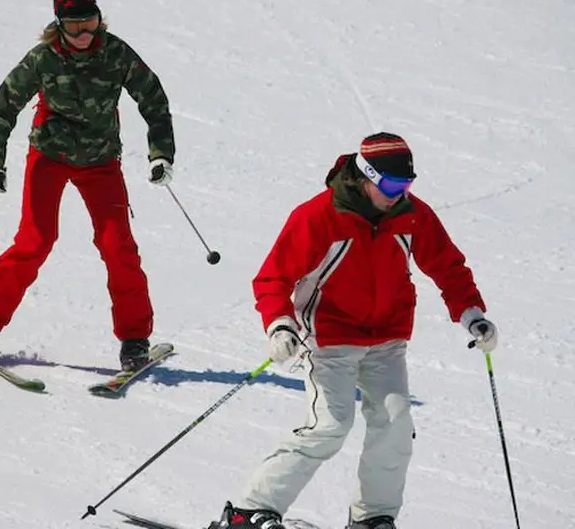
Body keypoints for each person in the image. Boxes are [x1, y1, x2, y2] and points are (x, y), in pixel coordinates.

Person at [209, 133, 498, 529]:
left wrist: (471, 314)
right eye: (391, 185)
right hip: (330, 338)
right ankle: (248, 512)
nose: (399, 194)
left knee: (395, 425)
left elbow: (447, 267)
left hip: (387, 338)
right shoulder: (319, 216)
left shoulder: (412, 214)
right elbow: (272, 278)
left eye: (406, 184)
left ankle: (372, 518)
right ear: (366, 177)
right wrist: (280, 324)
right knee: (330, 426)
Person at [0, 0, 175, 372]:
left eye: (90, 23)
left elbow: (154, 100)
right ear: (58, 26)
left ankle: (134, 341)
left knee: (118, 246)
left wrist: (160, 154)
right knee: (36, 240)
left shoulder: (115, 53)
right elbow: (3, 107)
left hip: (100, 161)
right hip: (49, 156)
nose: (84, 34)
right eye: (74, 27)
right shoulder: (43, 58)